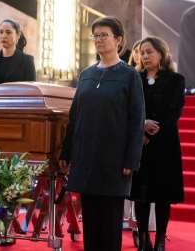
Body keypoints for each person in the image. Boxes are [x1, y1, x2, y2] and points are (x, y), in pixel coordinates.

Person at [59, 16, 145, 251]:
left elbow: (136, 120)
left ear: (118, 40)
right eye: (95, 36)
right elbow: (75, 115)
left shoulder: (129, 75)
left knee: (109, 222)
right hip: (87, 156)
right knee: (92, 220)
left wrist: (131, 159)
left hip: (114, 159)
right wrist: (67, 152)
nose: (98, 40)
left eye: (104, 35)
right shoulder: (86, 74)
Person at [130, 37, 185, 251]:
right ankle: (144, 240)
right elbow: (130, 108)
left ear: (161, 54)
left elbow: (173, 111)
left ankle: (160, 239)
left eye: (149, 52)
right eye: (142, 53)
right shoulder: (135, 79)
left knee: (163, 196)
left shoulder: (175, 79)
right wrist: (140, 127)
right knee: (141, 195)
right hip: (140, 144)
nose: (145, 57)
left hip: (165, 144)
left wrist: (151, 132)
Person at [0, 19, 36, 92]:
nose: (4, 36)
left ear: (18, 35)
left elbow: (31, 92)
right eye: (1, 32)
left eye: (8, 32)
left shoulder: (27, 61)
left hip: (16, 103)